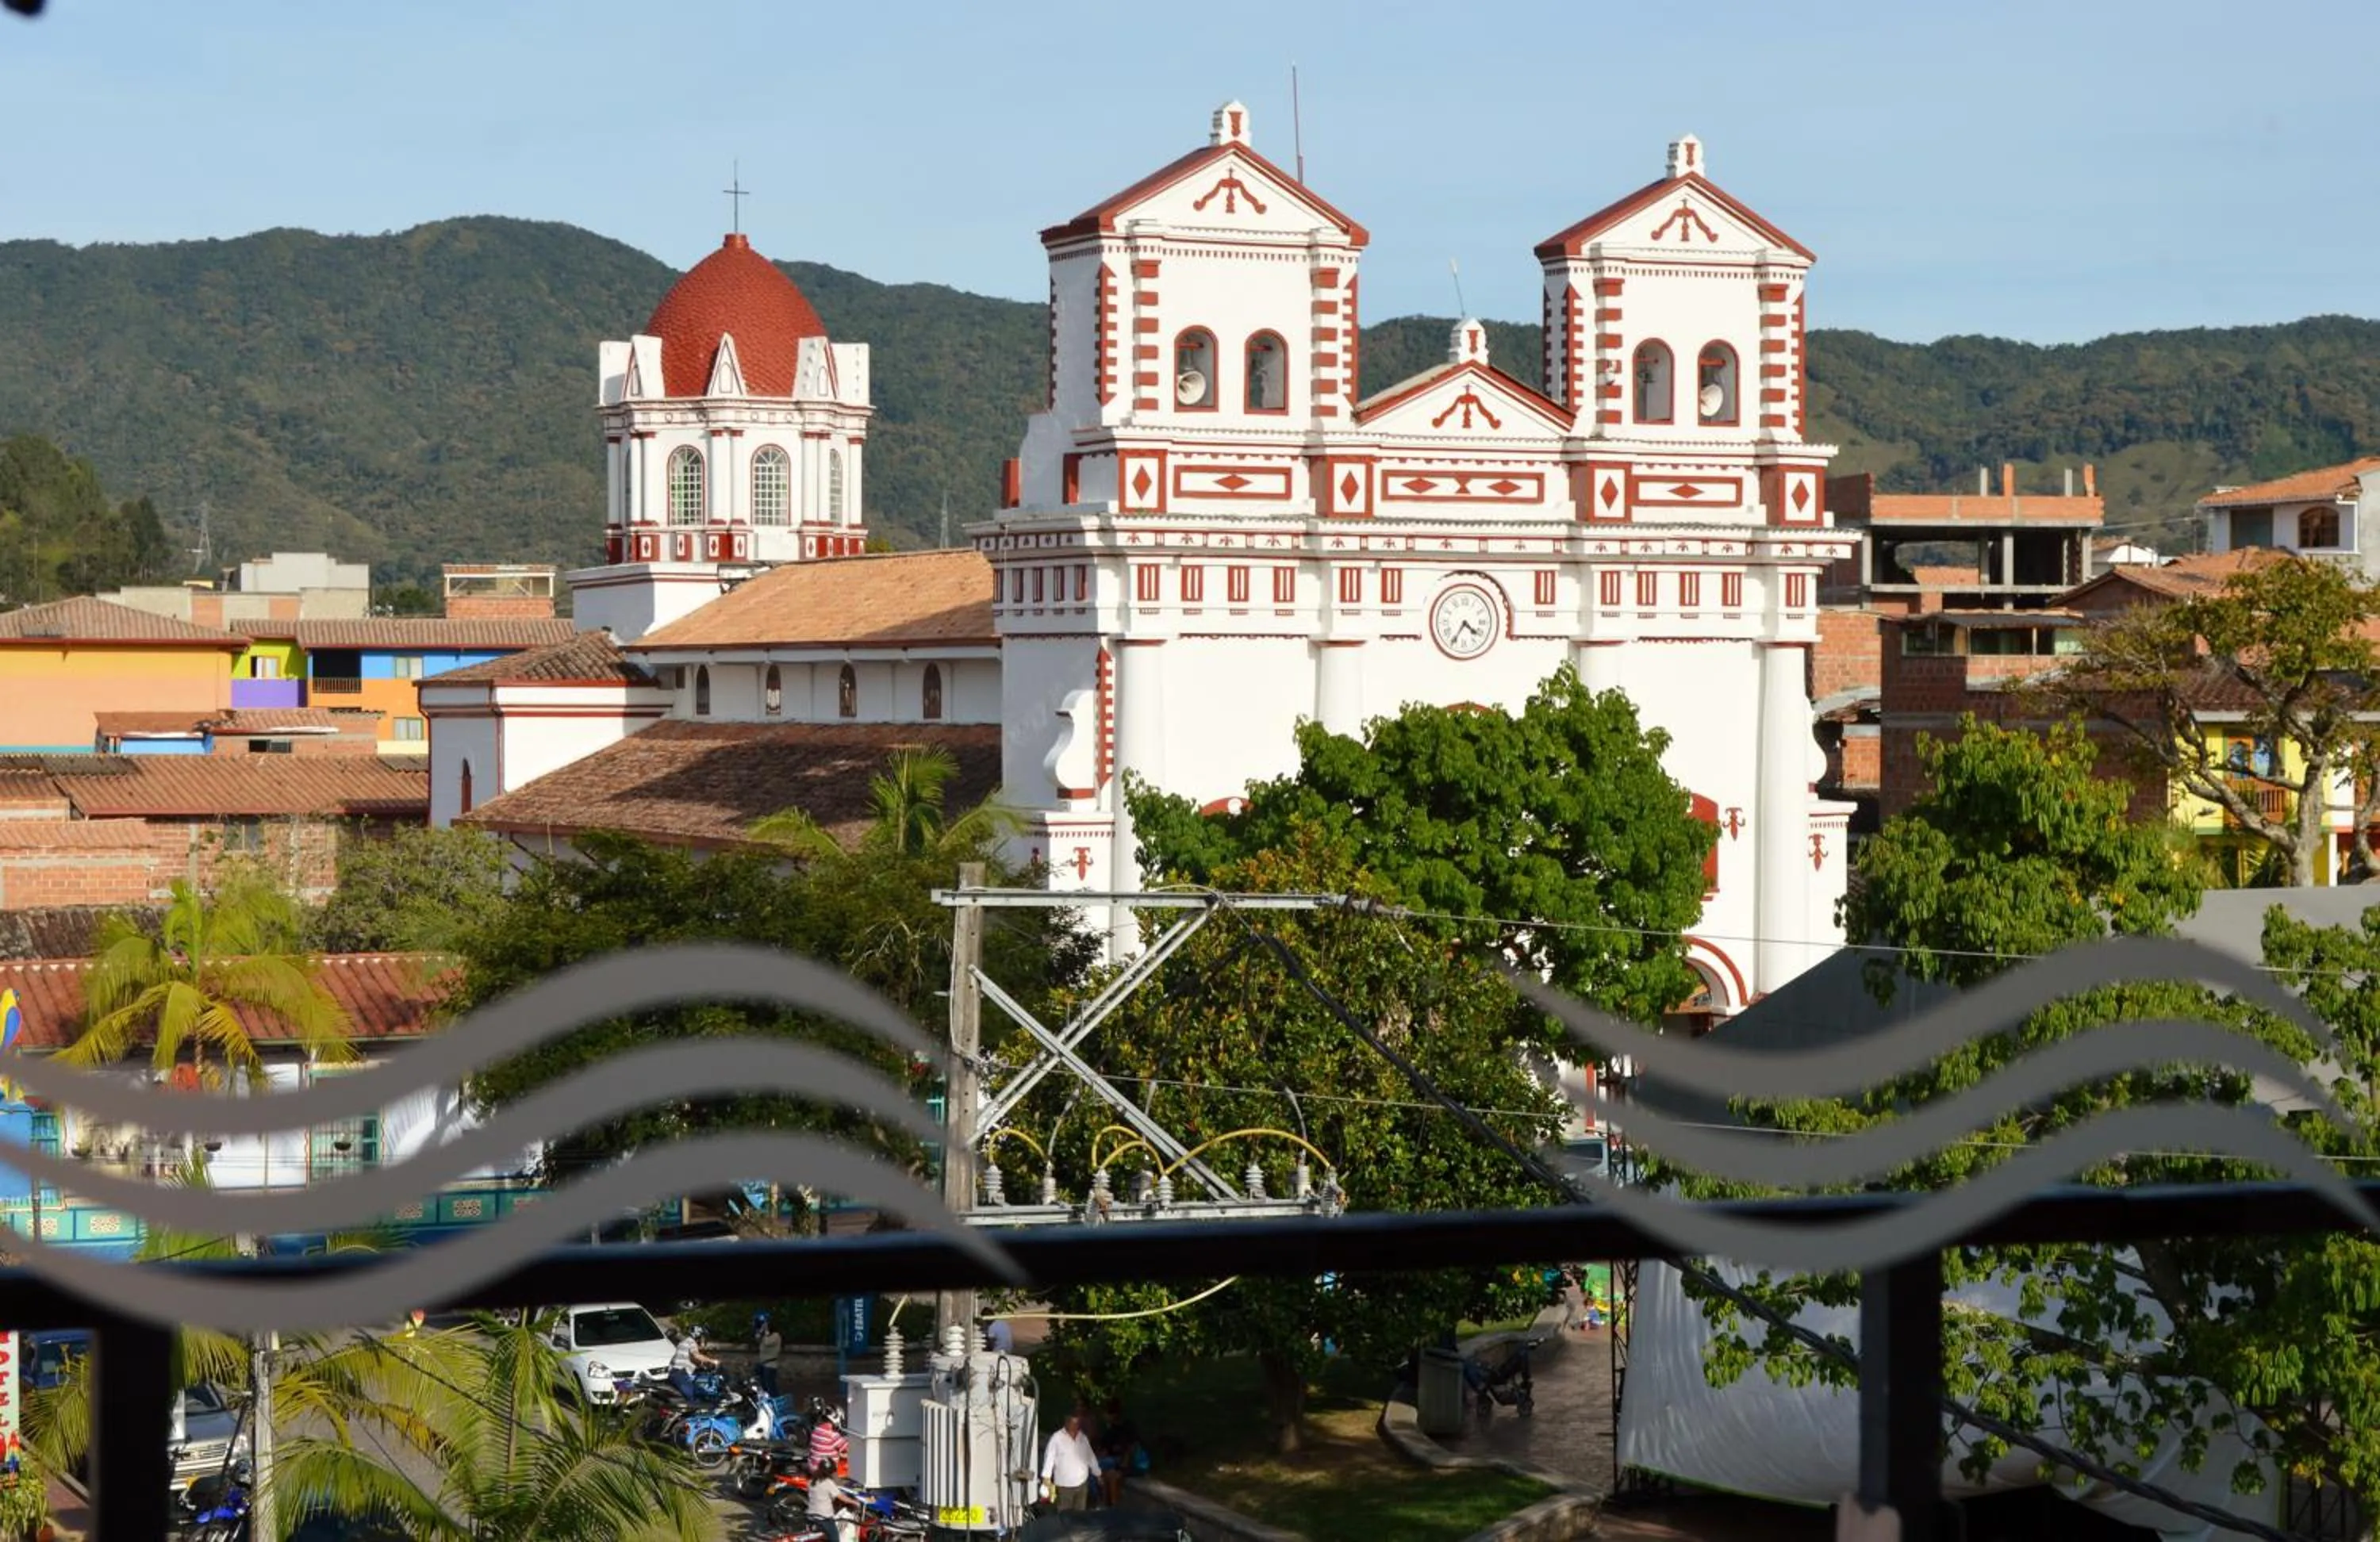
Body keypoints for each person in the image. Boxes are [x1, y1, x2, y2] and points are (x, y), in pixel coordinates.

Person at [1039, 1406, 1096, 1512]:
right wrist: (1046, 1478)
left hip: (1082, 1483)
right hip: (1065, 1485)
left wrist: (1097, 1472)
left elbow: (1090, 1456)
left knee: (1080, 1515)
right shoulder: (1057, 1438)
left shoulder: (1082, 1437)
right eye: (1073, 1424)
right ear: (1067, 1423)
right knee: (1065, 1514)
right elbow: (1049, 1458)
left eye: (1077, 1424)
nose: (1076, 1427)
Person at [1096, 1396, 1140, 1507]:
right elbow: (1104, 1450)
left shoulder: (1126, 1427)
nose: (1104, 1416)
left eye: (1106, 1413)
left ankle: (1112, 1506)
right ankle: (1105, 1504)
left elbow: (1131, 1448)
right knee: (1107, 1475)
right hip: (1114, 1464)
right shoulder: (1109, 1430)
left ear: (1113, 1414)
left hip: (1128, 1464)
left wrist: (1123, 1466)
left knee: (1107, 1471)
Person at [805, 1458, 859, 1542]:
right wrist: (854, 1502)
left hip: (811, 1516)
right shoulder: (828, 1482)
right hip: (824, 1519)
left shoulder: (811, 1481)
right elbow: (842, 1497)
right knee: (835, 1539)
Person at [666, 1326, 718, 1402]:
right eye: (703, 1338)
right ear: (698, 1336)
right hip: (680, 1373)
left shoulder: (685, 1342)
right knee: (693, 1397)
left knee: (699, 1390)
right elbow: (696, 1356)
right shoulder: (691, 1342)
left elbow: (694, 1360)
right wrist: (713, 1361)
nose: (704, 1341)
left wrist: (705, 1366)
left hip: (678, 1373)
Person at [752, 1312, 783, 1398]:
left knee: (771, 1386)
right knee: (763, 1386)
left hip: (770, 1365)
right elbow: (757, 1338)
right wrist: (761, 1331)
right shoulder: (764, 1336)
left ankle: (776, 1400)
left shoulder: (776, 1336)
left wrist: (766, 1331)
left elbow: (767, 1343)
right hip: (763, 1364)